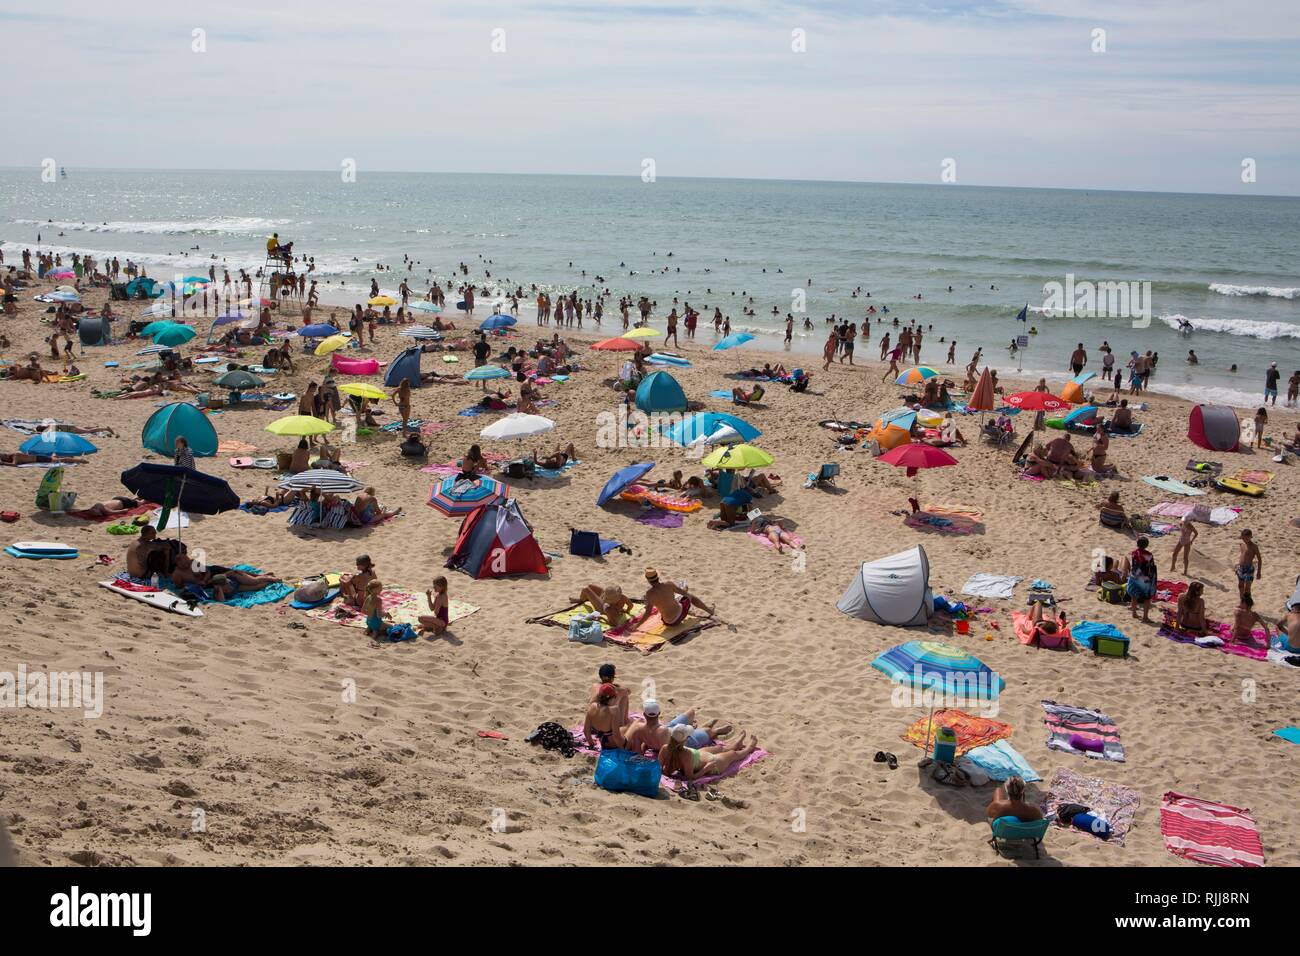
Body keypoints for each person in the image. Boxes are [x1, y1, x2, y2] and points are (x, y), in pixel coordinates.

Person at [621, 700, 733, 755]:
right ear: (659, 713)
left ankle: (699, 728)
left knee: (691, 712)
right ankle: (715, 730)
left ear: (644, 715)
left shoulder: (639, 728)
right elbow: (672, 749)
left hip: (667, 727)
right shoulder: (663, 731)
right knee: (707, 732)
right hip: (681, 739)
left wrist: (647, 743)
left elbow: (638, 751)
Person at [658, 725, 758, 782]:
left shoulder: (665, 748)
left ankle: (737, 744)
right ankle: (749, 748)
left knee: (719, 748)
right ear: (685, 739)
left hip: (697, 754)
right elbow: (691, 777)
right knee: (733, 754)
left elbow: (658, 767)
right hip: (711, 763)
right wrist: (706, 768)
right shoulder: (685, 754)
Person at [625, 567, 715, 630]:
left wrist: (637, 625)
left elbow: (647, 613)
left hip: (669, 622)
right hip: (681, 614)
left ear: (648, 580)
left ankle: (700, 610)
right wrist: (685, 590)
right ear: (658, 576)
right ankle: (709, 610)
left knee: (665, 602)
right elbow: (685, 594)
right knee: (689, 596)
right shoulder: (669, 584)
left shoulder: (649, 594)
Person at [583, 684, 628, 750]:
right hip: (610, 742)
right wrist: (623, 747)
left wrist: (591, 743)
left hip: (601, 738)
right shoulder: (614, 710)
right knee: (630, 726)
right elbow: (616, 735)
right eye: (615, 697)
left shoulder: (592, 706)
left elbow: (586, 731)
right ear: (612, 698)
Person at [1124, 537, 1157, 622]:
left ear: (1137, 544)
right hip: (1144, 578)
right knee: (1147, 598)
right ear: (1146, 545)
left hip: (1134, 576)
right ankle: (1145, 617)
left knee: (1134, 595)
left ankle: (1134, 613)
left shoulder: (1134, 553)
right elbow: (1151, 567)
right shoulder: (1149, 555)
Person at [1234, 529, 1261, 598]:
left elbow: (1259, 559)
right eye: (1243, 538)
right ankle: (1242, 602)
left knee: (1247, 588)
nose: (1244, 539)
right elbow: (1242, 555)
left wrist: (1259, 572)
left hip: (1249, 568)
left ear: (1250, 537)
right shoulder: (1242, 544)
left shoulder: (1254, 546)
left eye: (1246, 538)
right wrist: (1237, 565)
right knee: (1240, 586)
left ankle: (1248, 604)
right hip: (1241, 568)